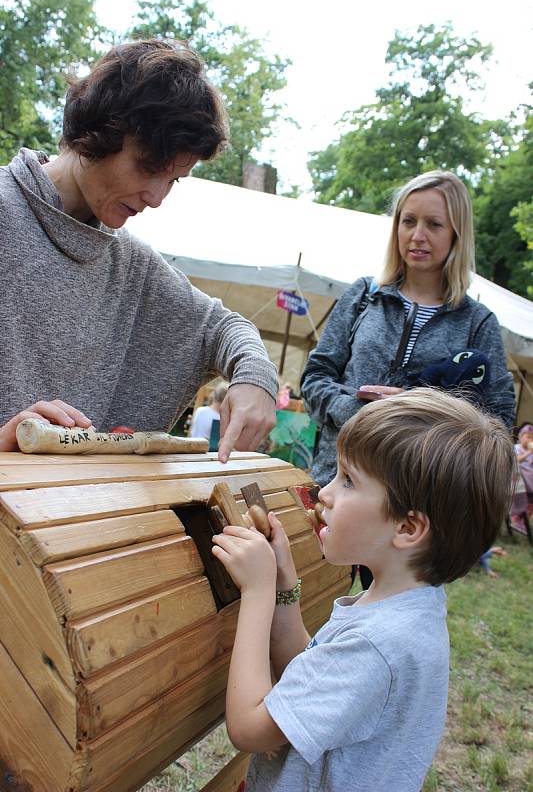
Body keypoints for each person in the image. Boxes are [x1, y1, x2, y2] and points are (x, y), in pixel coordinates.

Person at [211, 388, 515, 792]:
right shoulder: (406, 609)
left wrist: (258, 593)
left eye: (350, 481)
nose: (325, 493)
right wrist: (284, 588)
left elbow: (250, 729)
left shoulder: (377, 645)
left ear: (407, 529)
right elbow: (314, 676)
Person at [0, 39, 277, 461]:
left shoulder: (133, 265)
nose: (156, 197)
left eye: (174, 180)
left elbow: (223, 327)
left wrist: (255, 378)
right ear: (99, 129)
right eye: (149, 167)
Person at [301, 170, 515, 491]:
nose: (417, 235)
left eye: (434, 224)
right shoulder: (363, 296)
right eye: (408, 220)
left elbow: (498, 422)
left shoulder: (477, 322)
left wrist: (414, 410)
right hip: (337, 482)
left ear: (457, 233)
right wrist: (354, 412)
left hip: (418, 495)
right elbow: (315, 377)